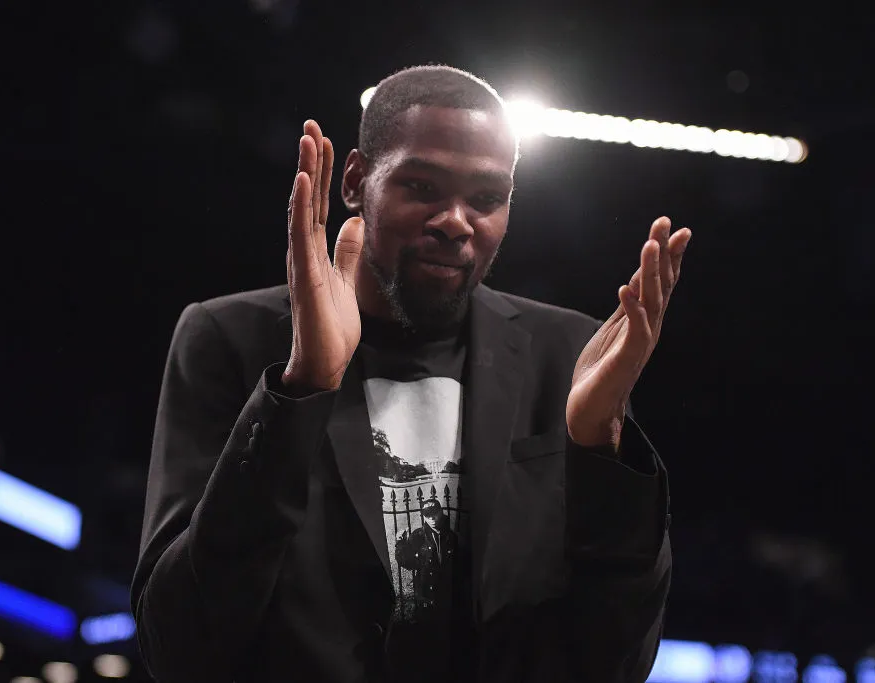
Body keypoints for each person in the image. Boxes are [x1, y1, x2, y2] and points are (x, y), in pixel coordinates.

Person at [131, 64, 691, 683]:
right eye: (422, 186)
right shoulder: (229, 339)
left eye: (486, 199)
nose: (456, 220)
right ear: (355, 181)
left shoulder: (566, 355)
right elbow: (178, 649)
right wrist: (300, 391)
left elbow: (618, 665)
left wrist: (602, 456)